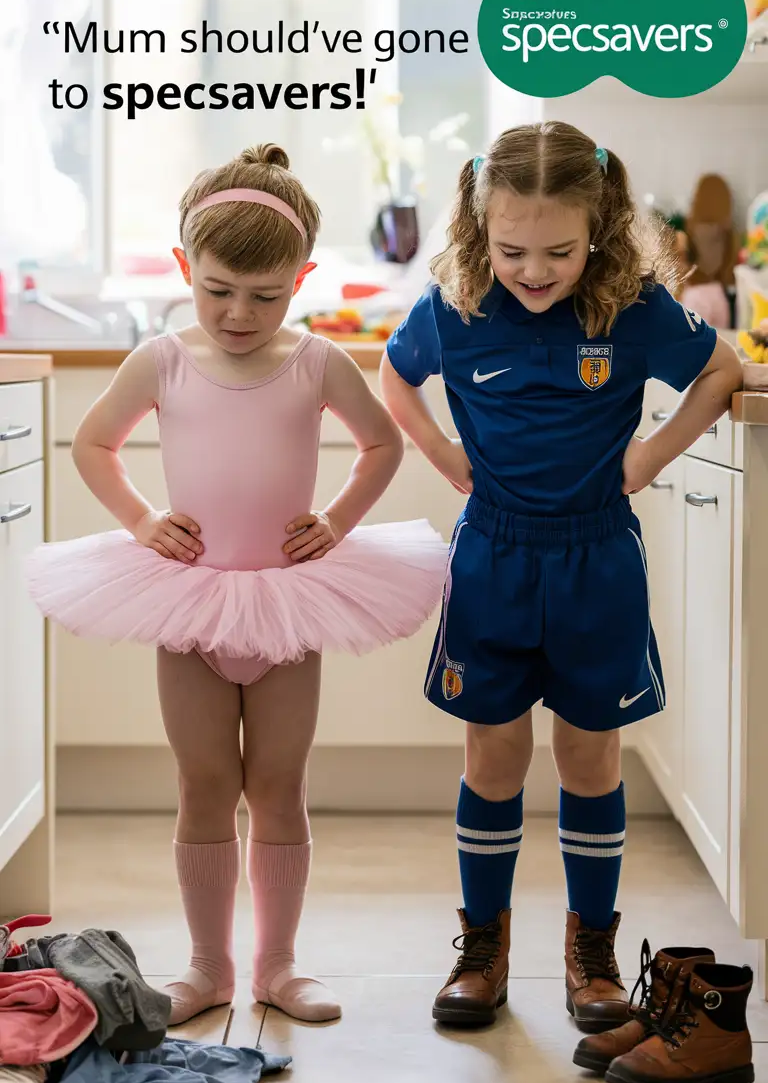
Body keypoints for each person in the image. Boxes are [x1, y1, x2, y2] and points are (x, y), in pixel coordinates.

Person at [28, 143, 447, 1027]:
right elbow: (92, 443)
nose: (238, 313)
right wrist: (143, 520)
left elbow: (383, 443)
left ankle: (280, 966)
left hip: (289, 605)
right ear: (186, 268)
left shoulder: (318, 362)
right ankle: (210, 965)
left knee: (280, 785)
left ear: (300, 278)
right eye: (217, 289)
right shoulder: (161, 360)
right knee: (203, 783)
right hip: (190, 602)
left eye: (265, 294)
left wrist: (335, 519)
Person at [380, 121, 742, 1033]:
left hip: (597, 558)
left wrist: (652, 455)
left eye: (559, 251)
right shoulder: (456, 303)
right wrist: (441, 453)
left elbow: (721, 370)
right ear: (478, 231)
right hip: (493, 555)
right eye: (511, 250)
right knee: (493, 754)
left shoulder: (634, 306)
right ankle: (484, 948)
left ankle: (593, 955)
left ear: (602, 231)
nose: (533, 271)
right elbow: (394, 375)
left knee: (589, 754)